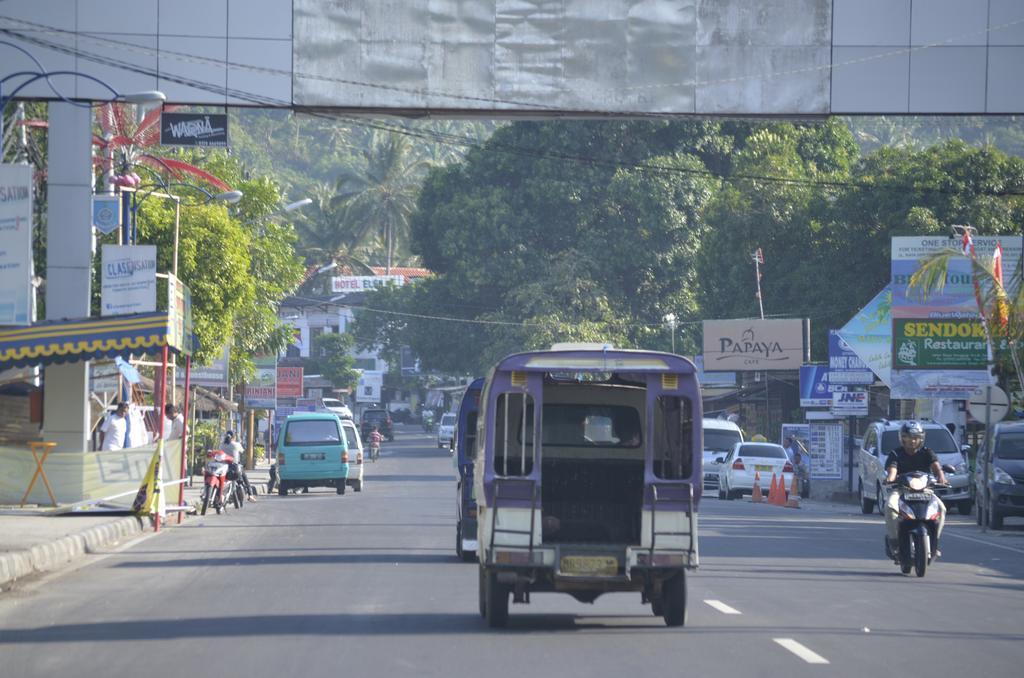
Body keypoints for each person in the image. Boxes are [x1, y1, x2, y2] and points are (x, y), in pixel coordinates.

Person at [883, 421, 948, 559]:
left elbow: (936, 467)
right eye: (908, 437)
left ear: (921, 438)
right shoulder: (896, 453)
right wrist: (890, 478)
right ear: (902, 438)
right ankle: (894, 541)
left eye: (916, 437)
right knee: (889, 507)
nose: (912, 441)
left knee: (941, 509)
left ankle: (934, 542)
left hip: (925, 490)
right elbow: (892, 470)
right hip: (902, 490)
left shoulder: (927, 452)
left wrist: (941, 477)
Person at [223, 431, 257, 501]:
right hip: (234, 468)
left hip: (223, 468)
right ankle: (250, 495)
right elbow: (243, 452)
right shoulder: (236, 444)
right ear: (234, 437)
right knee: (244, 477)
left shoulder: (221, 445)